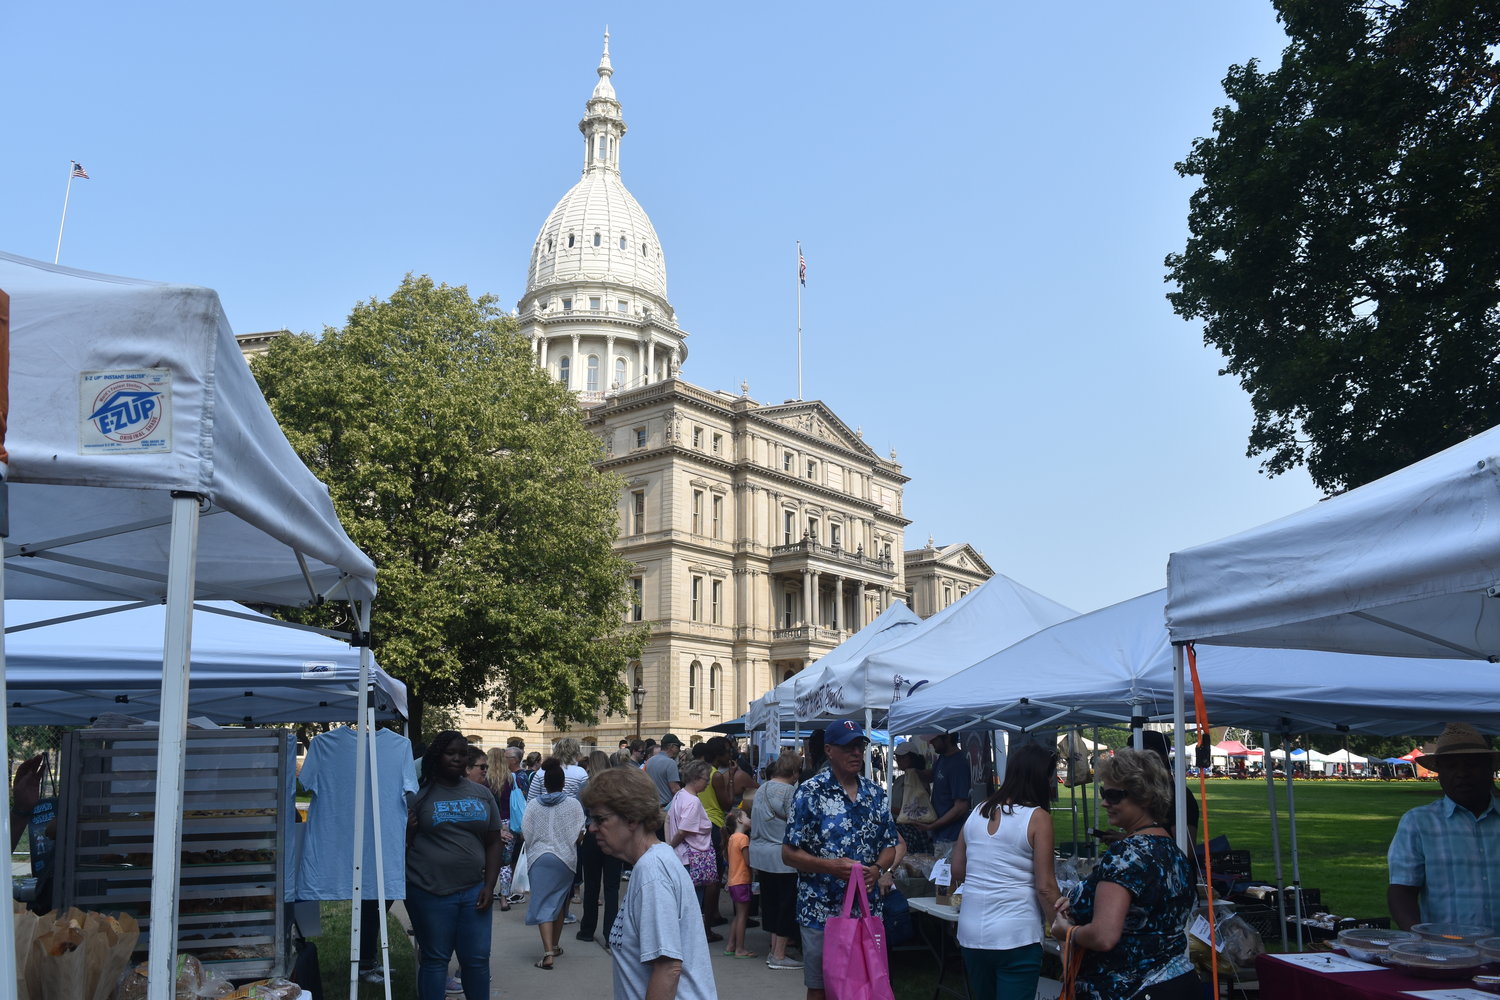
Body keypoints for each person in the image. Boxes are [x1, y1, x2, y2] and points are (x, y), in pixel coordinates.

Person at [1050, 748, 1197, 1000]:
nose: (1105, 802)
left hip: (1130, 990)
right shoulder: (1173, 850)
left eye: (1114, 795)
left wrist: (1067, 931)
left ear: (1146, 798)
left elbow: (1103, 936)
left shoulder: (1126, 855)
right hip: (1176, 981)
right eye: (1103, 793)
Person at [783, 720, 899, 1000]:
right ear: (829, 750)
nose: (856, 753)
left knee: (866, 981)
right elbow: (788, 853)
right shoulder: (810, 793)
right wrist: (829, 867)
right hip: (821, 910)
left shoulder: (875, 793)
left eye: (859, 746)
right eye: (848, 747)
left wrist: (878, 868)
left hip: (866, 909)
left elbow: (890, 844)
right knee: (821, 986)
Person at [581, 767, 718, 1000]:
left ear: (632, 818)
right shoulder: (653, 863)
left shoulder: (652, 873)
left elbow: (668, 969)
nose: (592, 828)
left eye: (600, 819)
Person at [950, 742, 1062, 1000]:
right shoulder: (1037, 818)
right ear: (1038, 778)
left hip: (971, 933)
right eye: (1050, 776)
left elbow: (957, 870)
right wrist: (1062, 931)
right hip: (1016, 936)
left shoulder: (977, 811)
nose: (1053, 783)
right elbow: (1045, 886)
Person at [404, 732, 503, 1000]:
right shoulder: (419, 795)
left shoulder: (482, 794)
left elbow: (494, 842)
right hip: (429, 892)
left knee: (477, 960)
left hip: (474, 891)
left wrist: (489, 885)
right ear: (437, 756)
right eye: (450, 752)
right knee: (436, 960)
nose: (457, 758)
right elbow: (400, 846)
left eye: (462, 753)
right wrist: (408, 831)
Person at [1388, 722, 1500, 929]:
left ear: (1489, 768)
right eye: (1451, 766)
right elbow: (1402, 890)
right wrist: (1420, 938)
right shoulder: (1418, 822)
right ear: (1439, 772)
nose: (1462, 773)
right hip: (1447, 951)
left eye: (1471, 764)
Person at [521, 758, 586, 970]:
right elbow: (580, 832)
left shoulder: (532, 805)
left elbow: (526, 833)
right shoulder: (574, 804)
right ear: (563, 782)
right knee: (558, 902)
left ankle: (548, 952)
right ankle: (555, 946)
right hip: (565, 859)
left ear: (545, 783)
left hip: (539, 858)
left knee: (542, 902)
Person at [751, 749, 803, 971]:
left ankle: (775, 949)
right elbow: (797, 825)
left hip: (760, 853)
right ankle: (779, 955)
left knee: (771, 904)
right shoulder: (789, 792)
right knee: (786, 905)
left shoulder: (762, 787)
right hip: (781, 856)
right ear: (794, 772)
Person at [669, 759, 722, 942]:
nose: (708, 782)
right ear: (696, 778)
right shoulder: (693, 802)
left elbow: (668, 819)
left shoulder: (680, 795)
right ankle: (688, 940)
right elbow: (684, 830)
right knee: (693, 903)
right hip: (692, 858)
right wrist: (670, 846)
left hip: (683, 856)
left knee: (683, 901)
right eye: (706, 778)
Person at [577, 749, 623, 945]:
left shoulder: (585, 785)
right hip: (613, 833)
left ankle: (587, 929)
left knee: (592, 885)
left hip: (591, 832)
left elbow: (580, 810)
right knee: (612, 887)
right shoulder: (617, 785)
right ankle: (610, 932)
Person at [920, 731, 972, 852]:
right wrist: (913, 771)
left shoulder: (958, 764)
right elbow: (932, 776)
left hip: (952, 838)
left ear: (947, 737)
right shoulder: (943, 758)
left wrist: (932, 826)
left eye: (934, 739)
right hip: (940, 836)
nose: (930, 742)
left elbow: (961, 807)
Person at [891, 740, 936, 855]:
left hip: (913, 830)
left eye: (902, 757)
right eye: (897, 757)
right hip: (901, 828)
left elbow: (916, 809)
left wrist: (889, 809)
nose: (899, 760)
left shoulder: (919, 778)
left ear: (912, 758)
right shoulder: (900, 780)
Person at [723, 808, 756, 958]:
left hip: (733, 882)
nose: (749, 818)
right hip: (742, 881)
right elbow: (748, 861)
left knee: (738, 916)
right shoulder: (743, 838)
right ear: (740, 820)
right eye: (746, 816)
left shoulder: (732, 838)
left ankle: (731, 945)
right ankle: (740, 949)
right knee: (743, 915)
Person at [646, 733, 684, 810]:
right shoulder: (670, 763)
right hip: (666, 808)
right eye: (678, 747)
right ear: (671, 746)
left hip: (652, 807)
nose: (679, 750)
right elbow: (675, 789)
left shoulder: (649, 761)